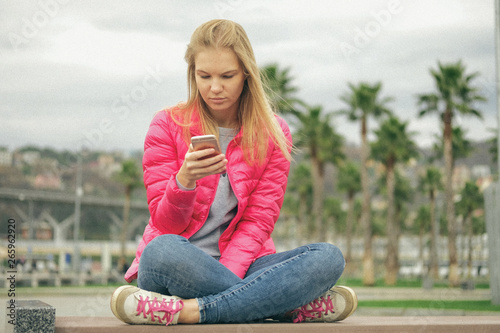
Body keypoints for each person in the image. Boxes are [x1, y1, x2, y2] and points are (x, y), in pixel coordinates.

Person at [110, 19, 357, 326]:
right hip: (176, 265)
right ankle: (282, 307)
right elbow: (165, 224)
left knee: (328, 258)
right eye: (204, 76)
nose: (215, 87)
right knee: (161, 250)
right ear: (193, 74)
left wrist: (227, 277)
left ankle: (186, 311)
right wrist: (184, 181)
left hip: (245, 264)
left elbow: (257, 223)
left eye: (227, 76)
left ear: (246, 74)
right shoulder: (166, 124)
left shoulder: (274, 134)